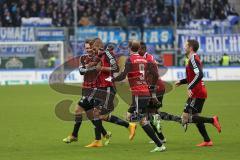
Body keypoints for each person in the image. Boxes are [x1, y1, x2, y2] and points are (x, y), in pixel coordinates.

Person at [112, 40, 166, 152]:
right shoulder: (144, 59)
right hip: (145, 92)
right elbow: (155, 74)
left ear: (130, 48)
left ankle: (159, 144)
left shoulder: (130, 59)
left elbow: (123, 75)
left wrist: (113, 79)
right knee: (131, 116)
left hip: (138, 93)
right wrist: (151, 87)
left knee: (141, 120)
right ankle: (147, 121)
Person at [85, 38, 137, 147]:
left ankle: (98, 140)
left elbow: (115, 68)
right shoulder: (97, 56)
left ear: (99, 46)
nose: (92, 50)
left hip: (108, 87)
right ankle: (129, 126)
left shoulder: (108, 53)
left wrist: (101, 68)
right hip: (100, 87)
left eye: (93, 48)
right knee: (99, 115)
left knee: (97, 113)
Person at [175, 39, 222, 147]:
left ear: (190, 47)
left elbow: (200, 74)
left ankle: (212, 120)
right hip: (197, 91)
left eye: (186, 45)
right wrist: (182, 82)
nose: (184, 47)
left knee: (185, 118)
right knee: (194, 116)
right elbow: (193, 76)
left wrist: (190, 87)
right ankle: (207, 140)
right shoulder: (192, 59)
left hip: (197, 92)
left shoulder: (193, 59)